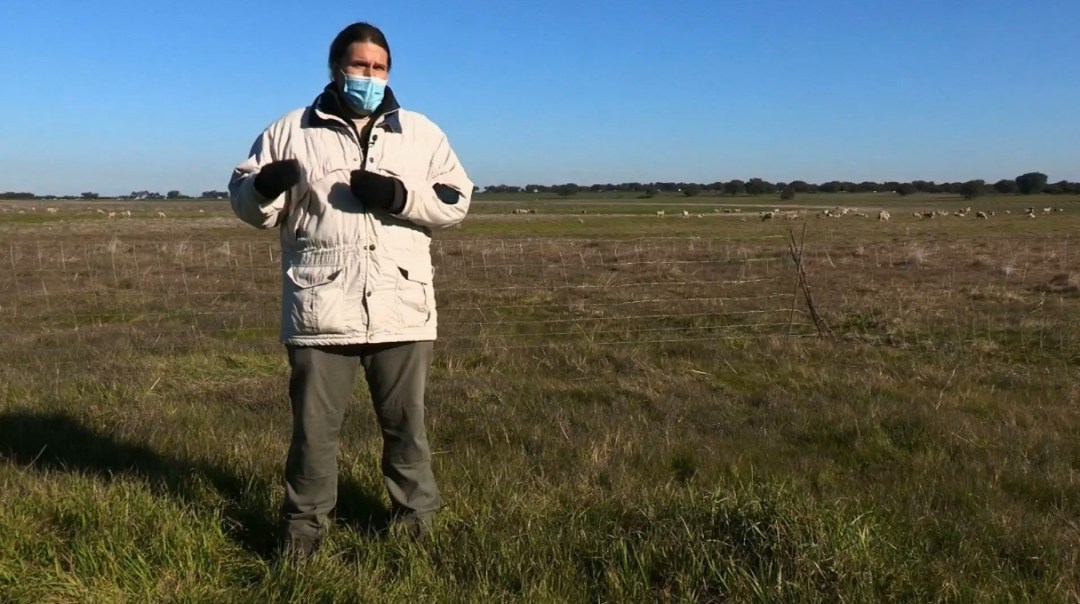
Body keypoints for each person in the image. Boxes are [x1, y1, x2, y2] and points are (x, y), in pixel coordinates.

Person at [228, 21, 472, 558]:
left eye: (379, 67)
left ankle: (417, 531)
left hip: (402, 306)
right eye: (360, 65)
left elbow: (456, 201)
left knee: (406, 428)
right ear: (336, 67)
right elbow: (246, 201)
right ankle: (303, 539)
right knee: (313, 435)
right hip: (321, 309)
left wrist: (399, 196)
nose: (370, 75)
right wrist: (263, 188)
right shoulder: (291, 129)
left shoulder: (421, 133)